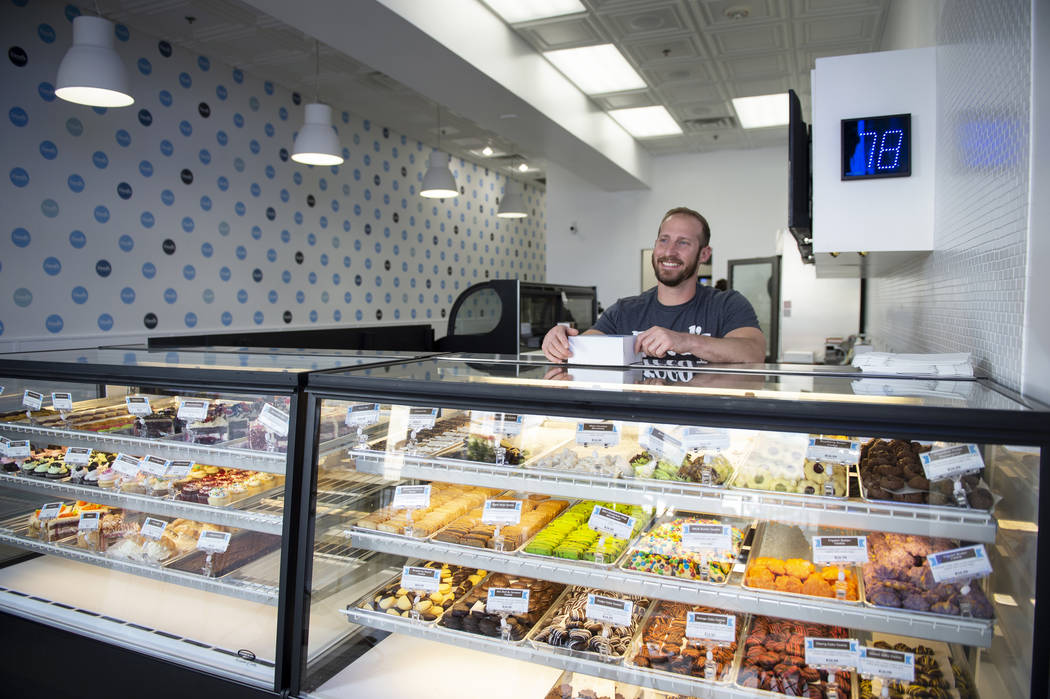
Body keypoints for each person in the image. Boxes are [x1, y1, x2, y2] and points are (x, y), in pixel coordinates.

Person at [542, 206, 766, 363]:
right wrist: (562, 340)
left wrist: (684, 341)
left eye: (683, 242)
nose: (670, 251)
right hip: (638, 425)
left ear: (704, 254)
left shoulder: (727, 304)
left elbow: (754, 352)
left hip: (702, 423)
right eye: (664, 240)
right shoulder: (625, 310)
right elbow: (585, 348)